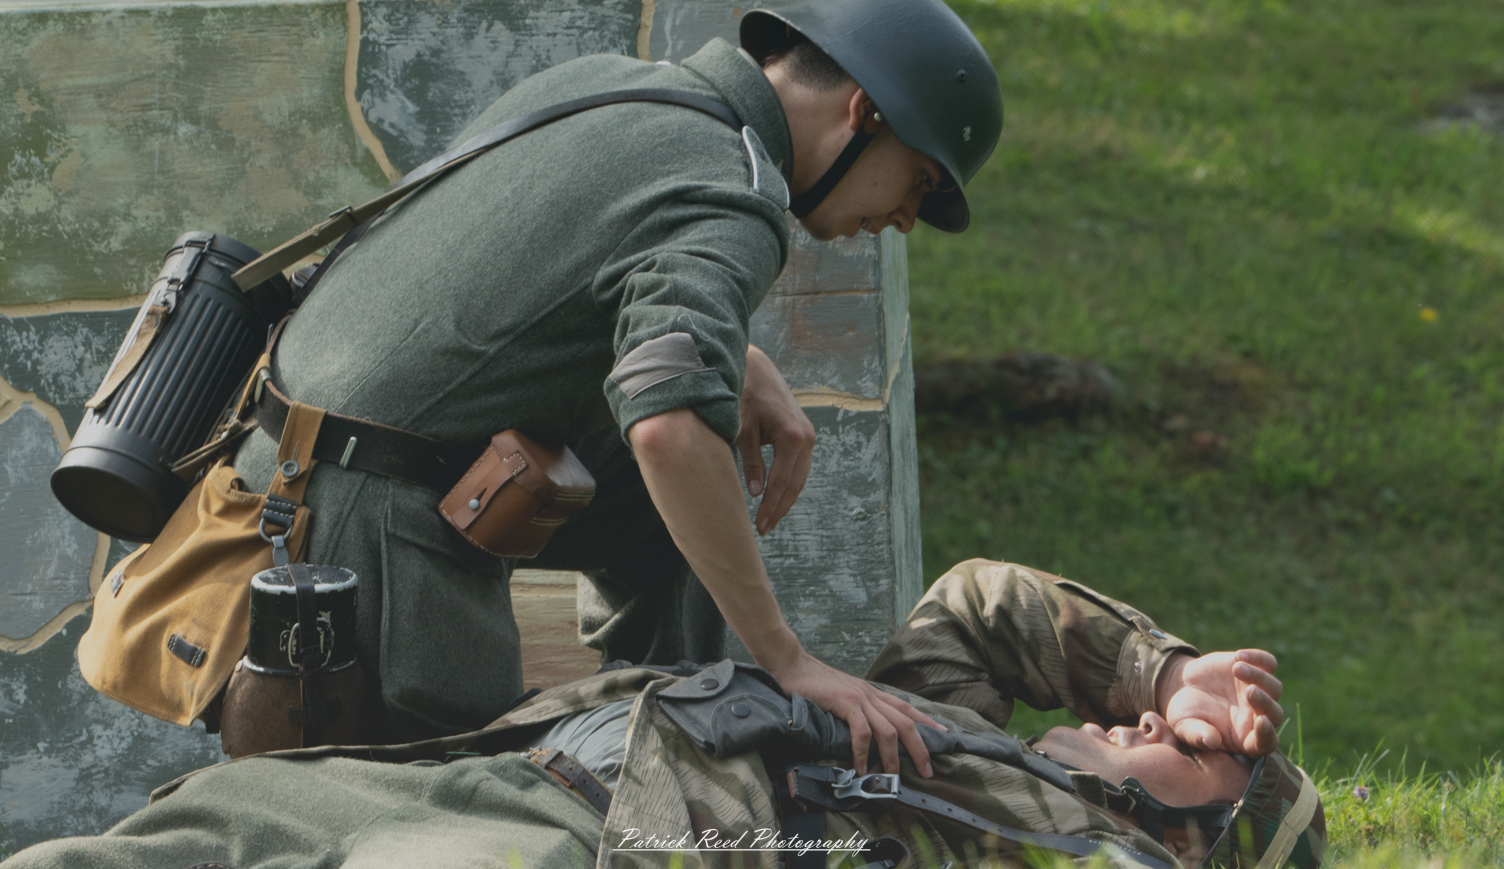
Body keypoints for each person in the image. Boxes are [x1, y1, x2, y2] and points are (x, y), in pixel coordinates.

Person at [226, 0, 1004, 772]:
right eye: (921, 179)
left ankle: (657, 739)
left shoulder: (616, 86)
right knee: (476, 823)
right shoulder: (733, 190)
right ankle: (638, 769)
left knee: (669, 493)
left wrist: (738, 360)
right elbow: (667, 427)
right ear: (863, 110)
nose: (907, 218)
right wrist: (789, 659)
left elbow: (532, 270)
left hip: (278, 469)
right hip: (365, 542)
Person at [0, 560, 1326, 868]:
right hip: (525, 773)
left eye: (1212, 763)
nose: (1168, 735)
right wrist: (1159, 671)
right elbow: (980, 606)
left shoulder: (1071, 852)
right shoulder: (962, 737)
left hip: (587, 854)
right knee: (199, 827)